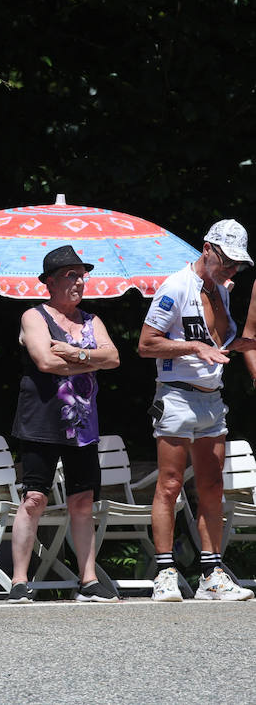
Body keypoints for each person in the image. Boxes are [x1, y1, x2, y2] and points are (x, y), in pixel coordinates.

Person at [139, 219, 256, 601]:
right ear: (207, 249)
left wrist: (235, 346)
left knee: (212, 485)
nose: (231, 270)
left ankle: (211, 573)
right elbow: (146, 344)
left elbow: (222, 341)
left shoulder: (221, 290)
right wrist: (193, 348)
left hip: (211, 398)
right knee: (170, 484)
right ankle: (164, 571)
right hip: (176, 395)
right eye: (226, 261)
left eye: (237, 265)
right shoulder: (175, 287)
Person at [4, 245, 121, 604]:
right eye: (71, 275)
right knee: (35, 498)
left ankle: (88, 580)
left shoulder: (91, 320)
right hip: (41, 420)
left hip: (83, 425)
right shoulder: (34, 316)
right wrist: (90, 360)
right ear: (50, 282)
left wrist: (75, 353)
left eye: (82, 275)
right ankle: (19, 581)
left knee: (83, 500)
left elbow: (114, 357)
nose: (79, 281)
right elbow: (44, 362)